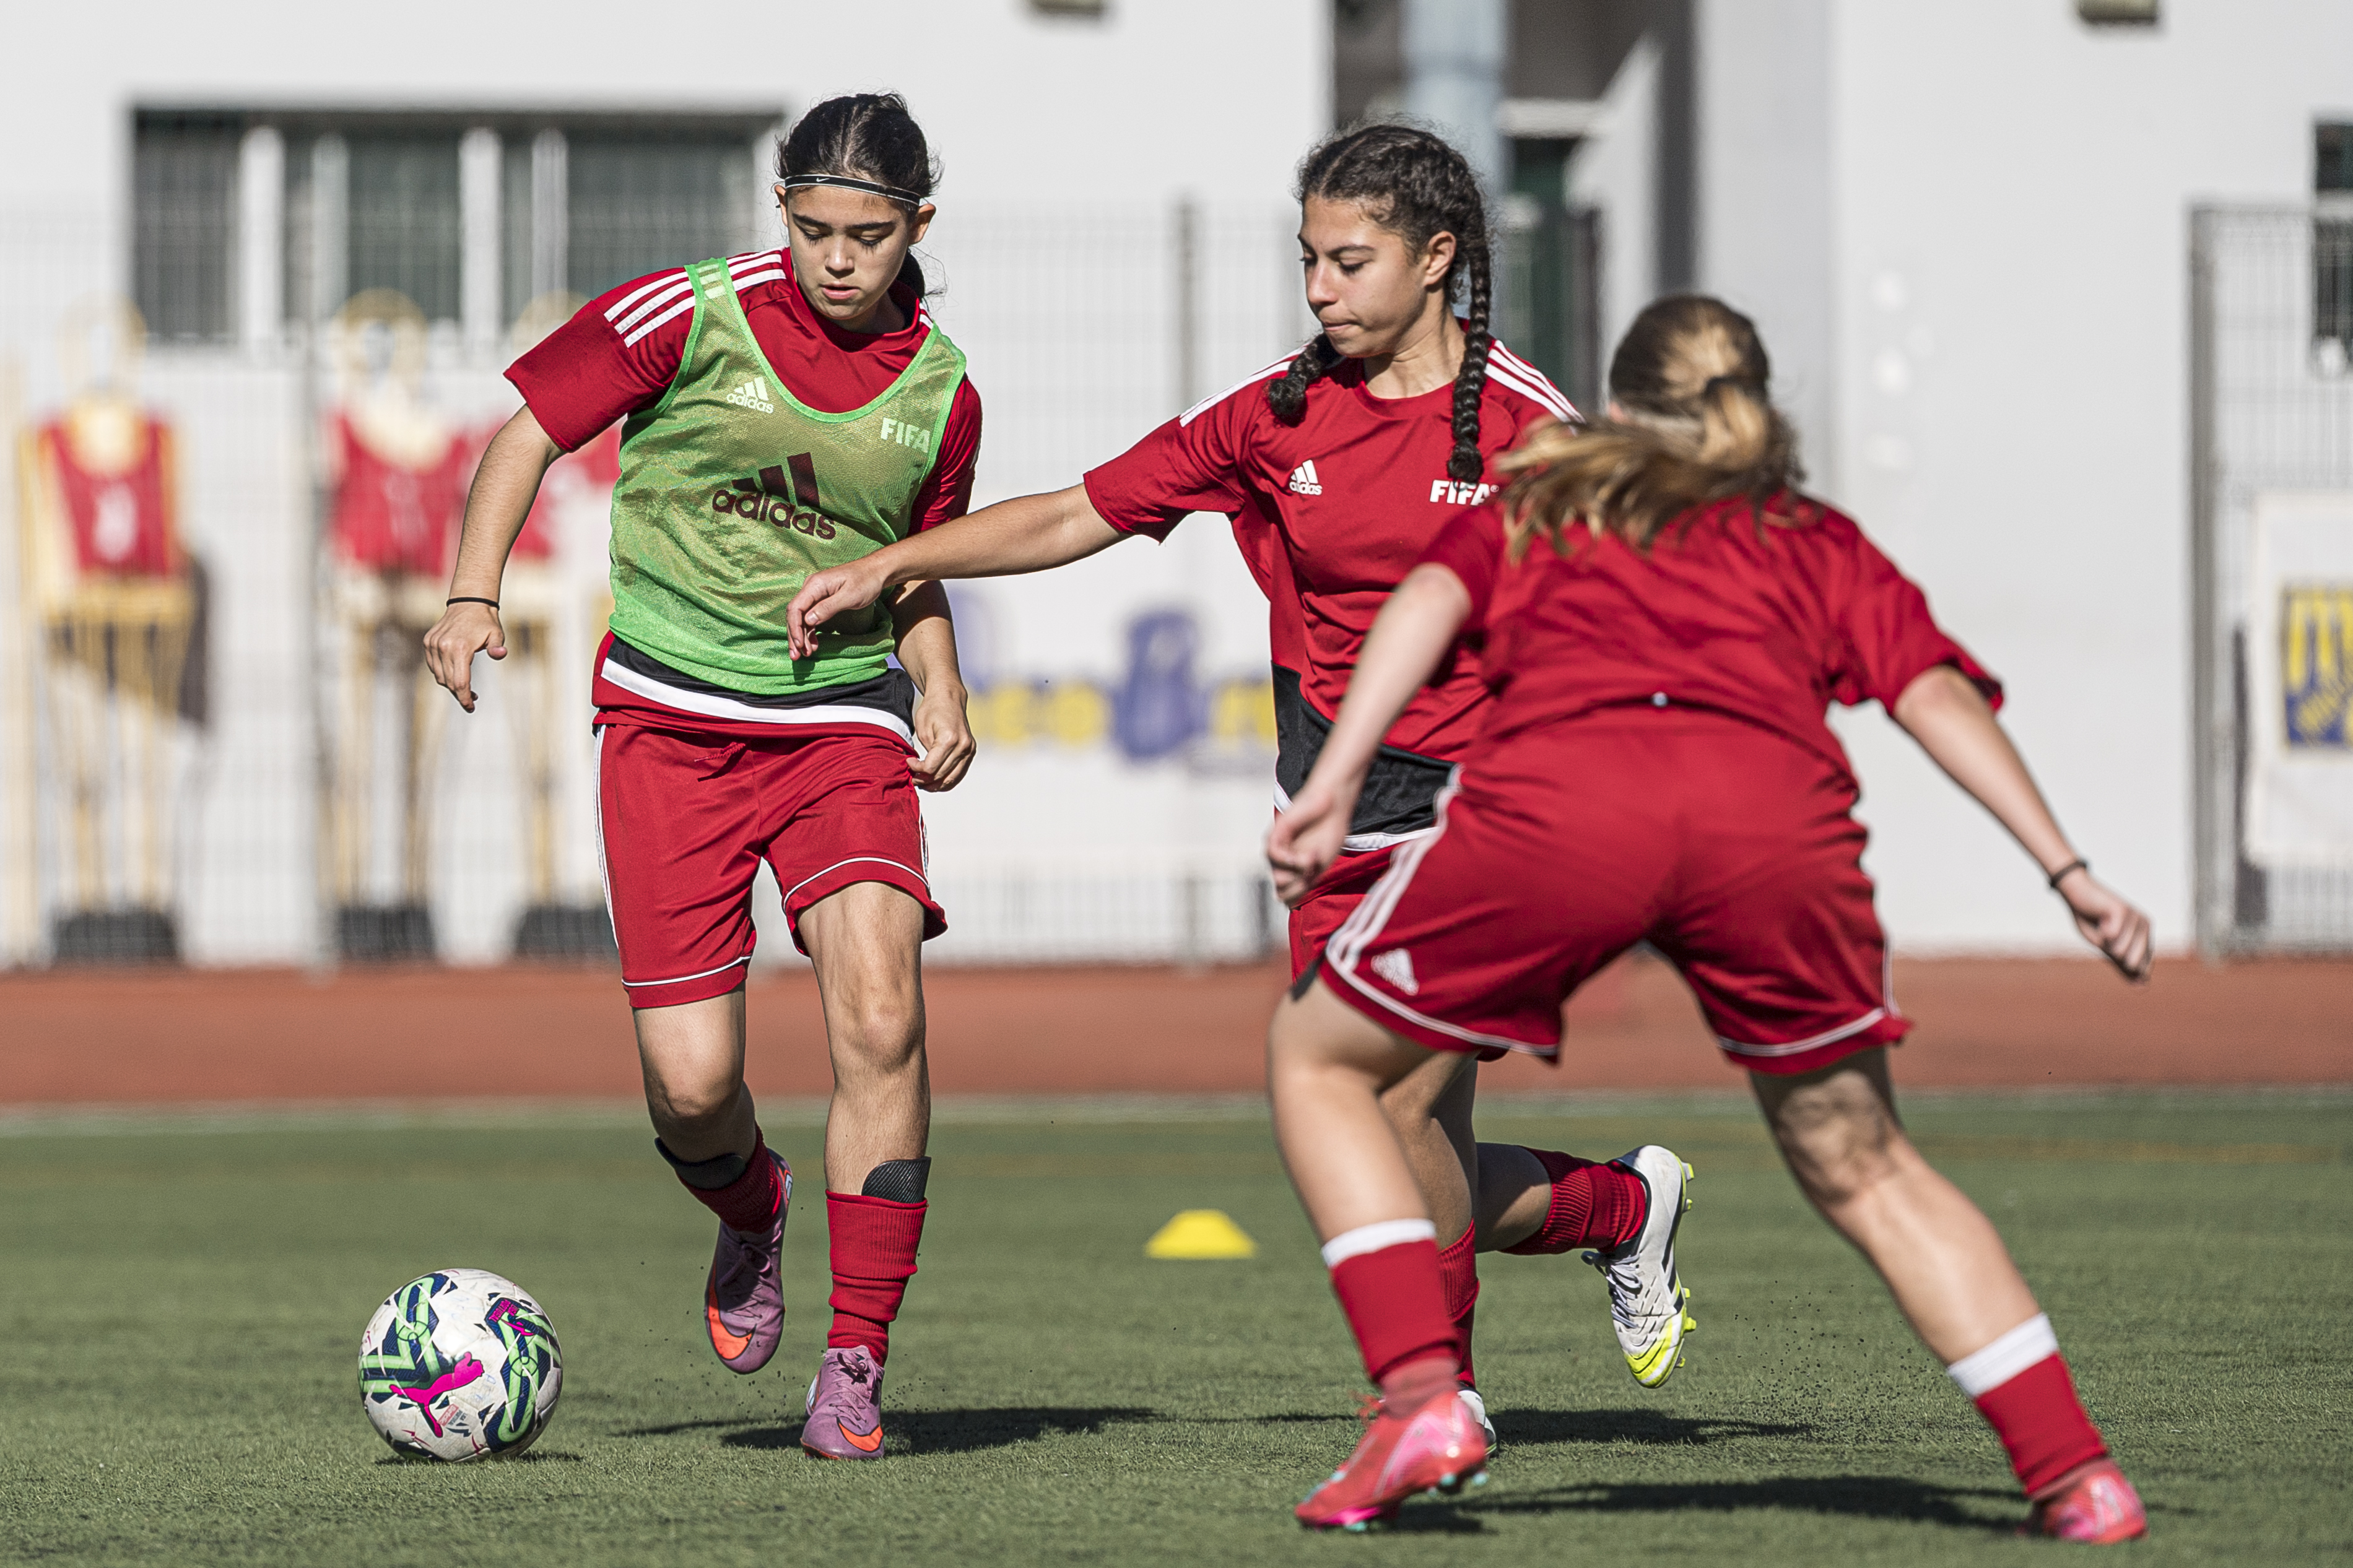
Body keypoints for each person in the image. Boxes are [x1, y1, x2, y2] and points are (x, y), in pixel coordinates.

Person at [785, 123, 1695, 1449]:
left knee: (1382, 1100)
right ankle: (1617, 1210)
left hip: (1485, 807)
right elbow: (1072, 512)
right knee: (1388, 1135)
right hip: (1333, 806)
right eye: (1307, 260)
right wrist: (891, 565)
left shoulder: (1525, 426)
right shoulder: (1276, 417)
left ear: (1438, 258)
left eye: (1349, 260)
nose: (1319, 289)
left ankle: (1433, 1395)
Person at [1262, 293, 2152, 1538]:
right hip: (1770, 833)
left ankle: (1421, 1395)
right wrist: (2069, 870)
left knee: (1319, 1059)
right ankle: (2079, 1477)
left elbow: (1423, 605)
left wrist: (1337, 771)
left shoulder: (1547, 505)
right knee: (1869, 1166)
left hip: (1566, 812)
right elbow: (1933, 694)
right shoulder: (1814, 538)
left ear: (1619, 407)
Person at [422, 93, 980, 1462]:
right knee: (688, 1085)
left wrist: (942, 678)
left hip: (842, 726)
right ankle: (750, 1209)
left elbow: (917, 565)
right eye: (811, 229)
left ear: (918, 225)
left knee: (880, 1013)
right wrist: (468, 592)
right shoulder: (685, 311)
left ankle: (854, 1361)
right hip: (669, 725)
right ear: (777, 208)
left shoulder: (942, 388)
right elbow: (523, 433)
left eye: (868, 234)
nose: (837, 259)